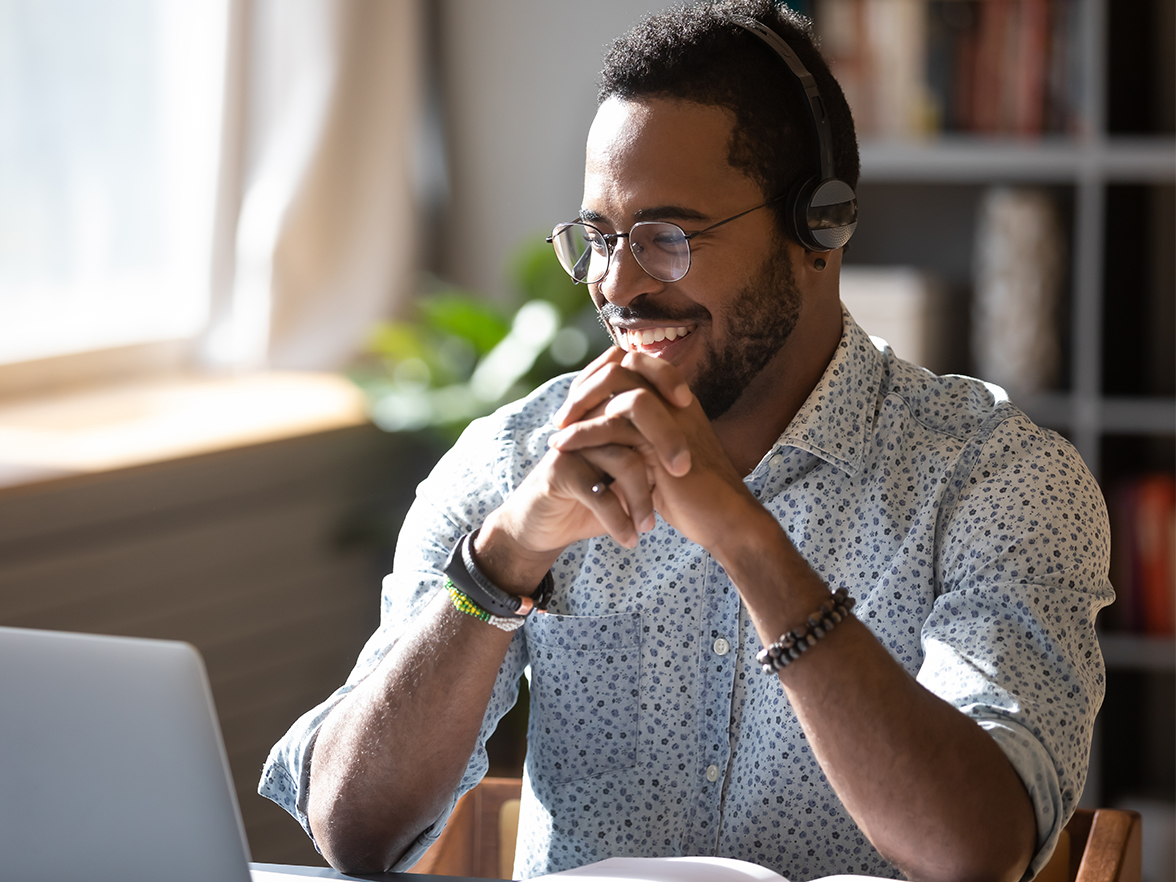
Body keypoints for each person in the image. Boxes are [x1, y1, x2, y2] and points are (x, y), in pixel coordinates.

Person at [259, 3, 1112, 880]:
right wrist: (504, 559)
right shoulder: (518, 460)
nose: (615, 284)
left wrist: (747, 540)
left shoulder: (999, 480)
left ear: (818, 228)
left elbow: (977, 850)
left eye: (667, 237)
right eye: (597, 238)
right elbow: (351, 833)